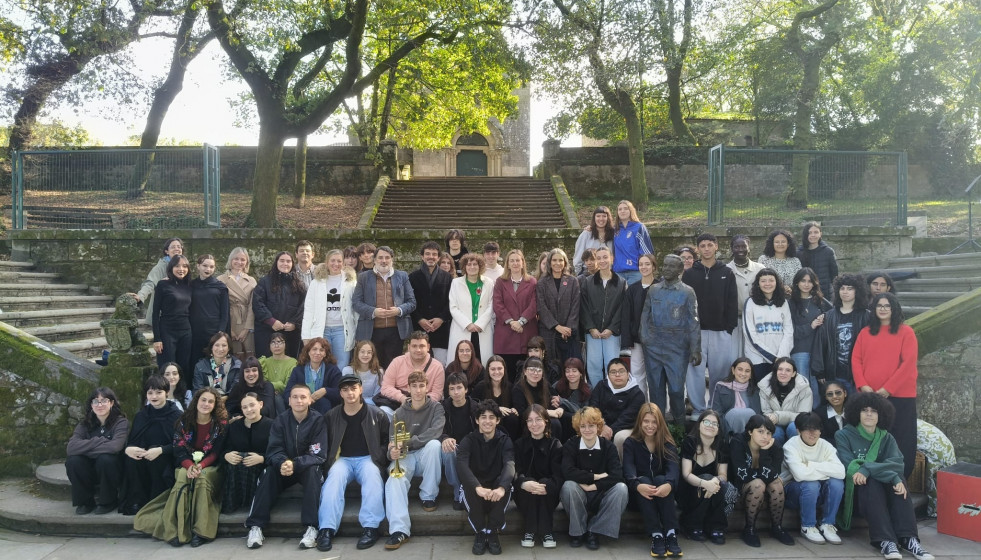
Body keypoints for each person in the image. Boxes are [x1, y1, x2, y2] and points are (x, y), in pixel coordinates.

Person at [836, 393, 935, 560]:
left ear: (880, 415)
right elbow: (850, 465)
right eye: (864, 410)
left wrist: (871, 469)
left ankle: (908, 538)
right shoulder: (844, 435)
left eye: (873, 411)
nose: (869, 414)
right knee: (874, 481)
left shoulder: (886, 437)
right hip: (860, 492)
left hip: (885, 489)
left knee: (899, 479)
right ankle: (885, 541)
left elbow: (897, 463)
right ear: (856, 413)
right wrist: (886, 474)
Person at [134, 387, 228, 547]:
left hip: (210, 466)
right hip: (185, 463)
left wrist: (200, 466)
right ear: (196, 401)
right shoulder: (184, 421)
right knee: (183, 478)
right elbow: (178, 448)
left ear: (215, 405)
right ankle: (174, 530)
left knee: (202, 478)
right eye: (203, 400)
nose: (206, 404)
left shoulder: (221, 424)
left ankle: (202, 531)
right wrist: (190, 466)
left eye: (211, 401)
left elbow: (216, 453)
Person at [244, 384, 328, 550]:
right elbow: (274, 450)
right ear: (288, 400)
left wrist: (295, 463)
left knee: (313, 473)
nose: (299, 400)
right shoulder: (280, 420)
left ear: (310, 400)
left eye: (303, 397)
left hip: (305, 467)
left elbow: (318, 454)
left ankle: (311, 528)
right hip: (284, 467)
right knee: (268, 472)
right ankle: (256, 527)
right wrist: (282, 462)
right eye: (295, 397)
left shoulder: (318, 420)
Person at [314, 374, 391, 552]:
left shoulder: (377, 414)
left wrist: (378, 454)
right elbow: (324, 441)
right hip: (343, 460)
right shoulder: (331, 416)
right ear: (340, 393)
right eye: (345, 390)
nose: (350, 393)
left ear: (361, 389)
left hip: (368, 458)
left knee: (373, 477)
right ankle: (326, 529)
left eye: (353, 388)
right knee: (333, 481)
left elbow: (388, 440)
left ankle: (370, 528)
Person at [852, 292, 919, 478]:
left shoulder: (906, 332)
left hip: (900, 396)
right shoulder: (865, 333)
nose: (882, 309)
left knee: (902, 439)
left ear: (894, 309)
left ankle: (901, 477)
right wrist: (863, 385)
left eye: (887, 306)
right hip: (871, 397)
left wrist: (888, 389)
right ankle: (874, 475)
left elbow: (908, 364)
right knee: (873, 438)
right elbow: (856, 360)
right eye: (879, 305)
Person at [383, 371, 446, 550]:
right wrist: (392, 453)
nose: (418, 390)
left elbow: (435, 432)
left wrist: (409, 442)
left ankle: (428, 496)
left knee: (434, 444)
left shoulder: (436, 408)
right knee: (394, 480)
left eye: (422, 386)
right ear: (408, 389)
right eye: (414, 386)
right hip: (406, 457)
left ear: (427, 387)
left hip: (425, 454)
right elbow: (392, 443)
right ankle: (399, 530)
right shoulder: (398, 413)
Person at [683, 233, 738, 415]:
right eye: (703, 245)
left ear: (716, 247)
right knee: (695, 374)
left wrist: (728, 328)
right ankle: (698, 410)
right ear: (698, 249)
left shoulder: (727, 272)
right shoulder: (689, 274)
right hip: (695, 333)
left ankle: (715, 410)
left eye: (710, 245)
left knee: (720, 374)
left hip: (720, 331)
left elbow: (732, 301)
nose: (706, 248)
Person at [641, 254, 701, 423]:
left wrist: (695, 348)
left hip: (677, 346)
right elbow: (645, 315)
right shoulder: (653, 290)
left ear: (680, 270)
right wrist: (645, 338)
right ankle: (657, 426)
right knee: (656, 389)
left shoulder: (687, 292)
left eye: (671, 266)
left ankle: (679, 426)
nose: (666, 269)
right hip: (653, 346)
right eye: (665, 265)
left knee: (675, 389)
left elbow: (693, 321)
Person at [560, 406, 629, 550]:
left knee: (621, 489)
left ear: (598, 427)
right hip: (579, 493)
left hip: (601, 494)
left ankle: (594, 530)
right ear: (578, 428)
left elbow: (617, 475)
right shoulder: (571, 445)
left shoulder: (608, 447)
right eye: (583, 426)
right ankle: (578, 532)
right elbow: (567, 471)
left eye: (591, 425)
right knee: (568, 486)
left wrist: (594, 486)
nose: (587, 430)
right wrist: (595, 476)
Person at [622, 403, 682, 558]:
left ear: (660, 423)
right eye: (646, 421)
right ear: (640, 422)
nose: (650, 426)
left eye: (654, 422)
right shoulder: (630, 443)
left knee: (663, 478)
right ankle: (656, 535)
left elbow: (673, 469)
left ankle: (670, 534)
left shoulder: (667, 443)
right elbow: (628, 471)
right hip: (639, 497)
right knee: (643, 479)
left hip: (663, 495)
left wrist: (669, 484)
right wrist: (638, 485)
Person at [456, 399, 516, 556]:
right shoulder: (468, 440)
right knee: (467, 485)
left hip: (495, 489)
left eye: (491, 417)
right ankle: (481, 532)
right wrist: (478, 487)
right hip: (476, 489)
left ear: (498, 420)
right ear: (477, 420)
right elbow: (462, 466)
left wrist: (502, 488)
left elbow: (509, 464)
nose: (487, 421)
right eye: (483, 417)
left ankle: (493, 532)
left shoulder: (505, 440)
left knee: (507, 485)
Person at [781, 411, 845, 545]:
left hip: (818, 492)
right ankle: (808, 526)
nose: (812, 433)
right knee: (811, 484)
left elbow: (840, 472)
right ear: (798, 430)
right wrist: (826, 468)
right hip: (793, 493)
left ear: (820, 430)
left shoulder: (826, 445)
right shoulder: (791, 446)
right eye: (807, 429)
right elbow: (800, 475)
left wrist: (810, 464)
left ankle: (827, 524)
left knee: (836, 483)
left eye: (815, 429)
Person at [729, 414, 793, 547]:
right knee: (759, 484)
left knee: (777, 484)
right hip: (739, 488)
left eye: (769, 433)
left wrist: (764, 452)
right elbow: (742, 475)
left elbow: (773, 475)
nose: (765, 436)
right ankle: (749, 529)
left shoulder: (775, 448)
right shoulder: (738, 442)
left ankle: (777, 527)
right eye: (760, 431)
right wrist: (762, 477)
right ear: (750, 431)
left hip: (764, 488)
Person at [122, 376, 183, 515]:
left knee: (157, 460)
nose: (154, 396)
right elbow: (133, 440)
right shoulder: (141, 416)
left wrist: (161, 450)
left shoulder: (176, 415)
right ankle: (137, 500)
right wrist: (129, 448)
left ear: (167, 393)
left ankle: (157, 500)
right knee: (132, 460)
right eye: (150, 393)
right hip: (144, 454)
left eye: (158, 392)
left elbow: (182, 444)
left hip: (167, 456)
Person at [352, 245, 417, 368]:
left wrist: (399, 310)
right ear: (374, 260)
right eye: (380, 257)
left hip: (396, 331)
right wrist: (373, 311)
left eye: (387, 257)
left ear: (392, 260)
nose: (384, 260)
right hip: (371, 331)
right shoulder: (363, 277)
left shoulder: (402, 276)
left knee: (394, 366)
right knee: (374, 366)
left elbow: (412, 302)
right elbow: (356, 302)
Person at [66, 387, 128, 515]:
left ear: (111, 403)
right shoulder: (84, 424)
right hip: (88, 470)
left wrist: (85, 448)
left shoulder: (121, 422)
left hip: (111, 469)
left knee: (106, 459)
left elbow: (114, 447)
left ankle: (108, 501)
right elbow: (71, 448)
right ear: (91, 405)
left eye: (104, 401)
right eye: (95, 401)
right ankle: (85, 502)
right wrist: (99, 441)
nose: (99, 405)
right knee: (74, 460)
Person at [677, 410, 735, 545]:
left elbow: (723, 475)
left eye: (715, 424)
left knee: (722, 485)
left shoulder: (722, 445)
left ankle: (716, 527)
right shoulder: (690, 442)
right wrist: (705, 483)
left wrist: (715, 481)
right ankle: (691, 525)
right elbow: (686, 474)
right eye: (707, 422)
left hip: (713, 490)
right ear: (699, 425)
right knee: (708, 477)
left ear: (718, 429)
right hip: (688, 491)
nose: (711, 425)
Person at [513, 404, 563, 549]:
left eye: (538, 419)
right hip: (524, 493)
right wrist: (522, 483)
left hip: (548, 493)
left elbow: (559, 474)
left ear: (546, 421)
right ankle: (530, 531)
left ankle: (546, 532)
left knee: (544, 482)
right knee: (529, 482)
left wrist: (547, 486)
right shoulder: (519, 444)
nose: (534, 424)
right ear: (526, 423)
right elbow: (515, 471)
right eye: (530, 420)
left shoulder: (555, 444)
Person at [811, 273, 871, 392]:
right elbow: (820, 344)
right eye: (842, 288)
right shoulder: (828, 317)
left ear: (857, 291)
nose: (845, 291)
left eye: (850, 288)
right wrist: (819, 371)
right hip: (834, 373)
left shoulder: (866, 316)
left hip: (858, 375)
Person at [301, 248, 357, 371]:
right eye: (332, 261)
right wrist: (306, 335)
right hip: (322, 329)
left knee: (342, 363)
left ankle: (338, 389)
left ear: (343, 263)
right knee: (320, 363)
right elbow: (309, 310)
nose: (336, 264)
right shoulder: (316, 282)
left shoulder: (351, 282)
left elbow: (355, 310)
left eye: (339, 261)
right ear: (326, 262)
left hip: (341, 330)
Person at [580, 246, 626, 386]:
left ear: (611, 258)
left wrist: (612, 328)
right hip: (593, 332)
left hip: (612, 332)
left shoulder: (621, 282)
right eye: (598, 258)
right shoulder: (588, 282)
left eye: (605, 257)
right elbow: (583, 307)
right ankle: (597, 395)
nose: (602, 260)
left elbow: (622, 308)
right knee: (593, 365)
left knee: (612, 365)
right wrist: (591, 327)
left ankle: (612, 393)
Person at [221, 392, 272, 513]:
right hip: (237, 470)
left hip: (262, 467)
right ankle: (233, 503)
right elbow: (224, 448)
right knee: (238, 459)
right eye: (244, 407)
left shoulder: (272, 425)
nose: (249, 410)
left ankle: (253, 503)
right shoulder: (234, 426)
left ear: (260, 404)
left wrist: (262, 458)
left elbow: (278, 451)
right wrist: (226, 455)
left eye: (252, 405)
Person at [789, 267, 832, 405]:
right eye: (803, 281)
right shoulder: (791, 303)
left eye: (810, 281)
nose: (806, 284)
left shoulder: (819, 301)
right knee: (802, 386)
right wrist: (811, 326)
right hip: (800, 351)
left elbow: (832, 315)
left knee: (816, 387)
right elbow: (790, 331)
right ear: (797, 283)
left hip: (818, 351)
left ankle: (816, 417)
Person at [493, 249, 538, 376]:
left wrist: (521, 321)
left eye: (518, 260)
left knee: (527, 372)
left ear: (523, 263)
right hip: (506, 334)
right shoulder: (500, 282)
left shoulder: (532, 282)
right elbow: (497, 303)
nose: (515, 263)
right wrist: (511, 322)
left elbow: (534, 304)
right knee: (507, 373)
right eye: (512, 261)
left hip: (526, 332)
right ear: (507, 264)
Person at [743, 268, 794, 382]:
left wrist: (781, 356)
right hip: (758, 359)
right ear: (758, 283)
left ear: (777, 282)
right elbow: (750, 335)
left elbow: (788, 331)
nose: (767, 284)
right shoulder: (750, 303)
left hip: (780, 357)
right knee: (760, 392)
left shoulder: (783, 303)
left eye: (771, 280)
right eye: (763, 281)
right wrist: (772, 358)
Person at [587, 358, 645, 457]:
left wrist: (609, 430)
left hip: (626, 427)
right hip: (602, 425)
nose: (617, 375)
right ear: (608, 375)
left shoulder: (637, 394)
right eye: (613, 372)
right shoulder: (601, 386)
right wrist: (602, 426)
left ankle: (622, 468)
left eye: (621, 371)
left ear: (628, 374)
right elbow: (593, 407)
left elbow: (627, 418)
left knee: (620, 438)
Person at [253, 251, 306, 359]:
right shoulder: (265, 282)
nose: (285, 264)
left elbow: (304, 307)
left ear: (292, 264)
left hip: (290, 333)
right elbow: (258, 303)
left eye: (288, 261)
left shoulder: (299, 285)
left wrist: (294, 323)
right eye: (282, 261)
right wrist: (271, 321)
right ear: (276, 262)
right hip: (267, 331)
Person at [409, 241, 454, 364]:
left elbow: (451, 301)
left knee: (440, 363)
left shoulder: (447, 277)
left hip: (441, 329)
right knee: (419, 364)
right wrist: (419, 319)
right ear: (422, 256)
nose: (431, 256)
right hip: (419, 328)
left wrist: (441, 318)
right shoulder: (412, 277)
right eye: (427, 254)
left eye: (434, 254)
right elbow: (409, 301)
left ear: (438, 257)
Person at [378, 331, 445, 413]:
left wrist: (418, 403)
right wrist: (402, 398)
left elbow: (437, 394)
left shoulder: (437, 367)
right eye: (414, 346)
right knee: (382, 412)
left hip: (424, 405)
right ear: (409, 347)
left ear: (428, 347)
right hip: (397, 402)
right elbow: (386, 387)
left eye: (422, 346)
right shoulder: (397, 362)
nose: (418, 350)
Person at [536, 248, 581, 369]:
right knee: (550, 366)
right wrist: (557, 326)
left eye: (560, 260)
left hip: (568, 333)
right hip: (548, 331)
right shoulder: (542, 283)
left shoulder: (573, 281)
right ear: (549, 263)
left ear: (565, 262)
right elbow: (541, 307)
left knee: (570, 366)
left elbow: (575, 306)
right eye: (554, 260)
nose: (557, 263)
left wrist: (568, 328)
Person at [448, 253, 495, 365]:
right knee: (461, 362)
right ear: (464, 267)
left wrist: (480, 324)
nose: (472, 267)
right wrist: (467, 324)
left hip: (482, 329)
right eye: (469, 264)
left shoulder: (489, 283)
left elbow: (492, 305)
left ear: (480, 266)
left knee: (482, 361)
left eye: (475, 264)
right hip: (462, 329)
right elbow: (453, 307)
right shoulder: (456, 283)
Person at [620, 253, 657, 395]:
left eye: (647, 264)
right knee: (637, 373)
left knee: (655, 375)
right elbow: (626, 316)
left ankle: (657, 407)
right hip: (637, 340)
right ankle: (641, 405)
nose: (644, 267)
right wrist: (627, 340)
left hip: (656, 341)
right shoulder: (632, 289)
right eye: (641, 264)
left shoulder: (660, 287)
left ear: (653, 266)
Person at [441, 372, 479, 510]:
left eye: (459, 388)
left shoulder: (475, 407)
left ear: (466, 389)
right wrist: (444, 438)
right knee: (449, 449)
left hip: (470, 446)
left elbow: (480, 431)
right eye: (452, 389)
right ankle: (458, 490)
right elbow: (439, 429)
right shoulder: (443, 407)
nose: (456, 392)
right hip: (452, 447)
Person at [151, 254, 193, 375]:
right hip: (167, 330)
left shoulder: (189, 286)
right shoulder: (163, 285)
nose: (181, 269)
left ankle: (183, 393)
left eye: (185, 266)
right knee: (167, 367)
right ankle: (165, 392)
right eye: (177, 266)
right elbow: (155, 313)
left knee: (184, 365)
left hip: (186, 331)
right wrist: (157, 339)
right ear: (171, 268)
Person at [759, 357, 812, 445]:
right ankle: (777, 457)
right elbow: (766, 411)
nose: (783, 373)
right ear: (775, 371)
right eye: (780, 369)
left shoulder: (804, 388)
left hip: (795, 422)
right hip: (774, 422)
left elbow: (804, 416)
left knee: (793, 428)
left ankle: (795, 456)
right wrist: (771, 417)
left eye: (788, 370)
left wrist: (778, 416)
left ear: (793, 373)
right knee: (776, 434)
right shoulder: (764, 386)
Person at [726, 235, 765, 356]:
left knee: (755, 355)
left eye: (744, 246)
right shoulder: (726, 270)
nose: (740, 249)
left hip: (756, 319)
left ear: (749, 247)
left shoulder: (760, 269)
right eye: (736, 246)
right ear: (732, 249)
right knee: (735, 356)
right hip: (734, 320)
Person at [189, 253, 230, 366]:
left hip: (213, 332)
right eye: (205, 266)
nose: (208, 269)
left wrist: (220, 332)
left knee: (214, 363)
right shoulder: (191, 285)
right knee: (195, 362)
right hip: (195, 332)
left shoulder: (220, 287)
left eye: (211, 267)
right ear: (198, 266)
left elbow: (225, 313)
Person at [285, 337, 342, 416]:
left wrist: (325, 391)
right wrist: (303, 399)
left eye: (321, 350)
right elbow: (288, 392)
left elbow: (340, 392)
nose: (317, 353)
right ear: (308, 352)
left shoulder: (333, 370)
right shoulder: (298, 370)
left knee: (323, 402)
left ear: (325, 353)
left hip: (326, 410)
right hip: (302, 407)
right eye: (314, 349)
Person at [217, 247, 257, 359]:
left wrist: (247, 328)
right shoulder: (221, 279)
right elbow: (219, 306)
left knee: (249, 354)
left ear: (246, 262)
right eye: (236, 259)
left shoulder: (252, 280)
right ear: (230, 260)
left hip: (246, 321)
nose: (239, 262)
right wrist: (229, 329)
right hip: (230, 320)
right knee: (233, 354)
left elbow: (253, 305)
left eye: (243, 260)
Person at [134, 237, 183, 327]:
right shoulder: (161, 267)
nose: (177, 249)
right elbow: (150, 283)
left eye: (179, 247)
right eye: (173, 247)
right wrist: (140, 296)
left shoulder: (184, 267)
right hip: (163, 316)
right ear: (166, 251)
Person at [512, 357, 563, 440]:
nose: (536, 373)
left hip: (544, 420)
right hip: (529, 422)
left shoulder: (546, 385)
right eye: (532, 370)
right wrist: (546, 413)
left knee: (558, 421)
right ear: (525, 371)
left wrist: (560, 409)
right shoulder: (518, 389)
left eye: (539, 370)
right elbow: (522, 413)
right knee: (554, 423)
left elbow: (557, 399)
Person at [472, 355, 520, 438]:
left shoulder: (510, 387)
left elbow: (515, 406)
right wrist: (496, 409)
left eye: (499, 368)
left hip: (505, 425)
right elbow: (474, 406)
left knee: (513, 419)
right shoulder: (480, 387)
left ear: (504, 369)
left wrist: (514, 409)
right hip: (486, 423)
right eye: (493, 369)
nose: (497, 372)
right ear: (488, 371)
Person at [712, 357, 762, 436]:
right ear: (733, 370)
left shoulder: (755, 390)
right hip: (728, 429)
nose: (743, 374)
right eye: (740, 369)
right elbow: (717, 413)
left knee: (750, 413)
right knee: (737, 413)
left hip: (750, 431)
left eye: (747, 371)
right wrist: (727, 432)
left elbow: (757, 414)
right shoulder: (721, 386)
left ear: (751, 374)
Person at [612, 200, 654, 285]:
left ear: (631, 210)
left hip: (635, 272)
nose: (622, 211)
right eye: (620, 209)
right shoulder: (615, 230)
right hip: (618, 273)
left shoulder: (639, 227)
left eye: (625, 208)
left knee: (635, 298)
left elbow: (647, 252)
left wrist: (645, 269)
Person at [191, 331, 242, 396]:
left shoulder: (237, 366)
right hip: (207, 402)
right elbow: (197, 391)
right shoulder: (200, 366)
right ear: (211, 347)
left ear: (229, 348)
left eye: (224, 345)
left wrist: (224, 399)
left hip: (230, 402)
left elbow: (236, 390)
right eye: (217, 345)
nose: (220, 349)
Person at [573, 206, 615, 275]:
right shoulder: (586, 234)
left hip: (607, 273)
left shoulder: (614, 235)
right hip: (588, 273)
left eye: (604, 216)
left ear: (608, 218)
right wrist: (580, 274)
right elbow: (578, 257)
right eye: (598, 216)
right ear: (594, 218)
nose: (601, 219)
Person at [798, 222, 839, 293]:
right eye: (810, 233)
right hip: (805, 292)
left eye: (816, 232)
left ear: (820, 234)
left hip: (824, 292)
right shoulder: (799, 253)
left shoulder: (828, 251)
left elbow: (834, 274)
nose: (813, 235)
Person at [342, 340, 384, 405]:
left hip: (371, 405)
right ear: (357, 353)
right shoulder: (347, 371)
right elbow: (346, 392)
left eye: (369, 352)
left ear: (372, 355)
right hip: (351, 403)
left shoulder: (379, 372)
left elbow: (377, 395)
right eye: (362, 352)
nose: (365, 355)